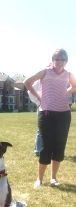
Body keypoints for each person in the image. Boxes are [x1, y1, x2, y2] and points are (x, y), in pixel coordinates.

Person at [24, 48, 76, 188]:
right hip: (46, 113)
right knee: (46, 147)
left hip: (64, 115)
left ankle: (53, 178)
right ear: (53, 60)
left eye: (63, 59)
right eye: (57, 59)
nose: (60, 62)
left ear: (66, 61)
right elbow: (27, 82)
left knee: (59, 147)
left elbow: (74, 86)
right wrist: (39, 95)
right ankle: (39, 179)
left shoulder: (68, 74)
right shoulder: (45, 72)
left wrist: (65, 91)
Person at [27, 80, 42, 156]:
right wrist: (39, 102)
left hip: (55, 109)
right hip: (43, 108)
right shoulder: (42, 79)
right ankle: (38, 150)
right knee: (41, 130)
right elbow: (30, 91)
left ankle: (49, 150)